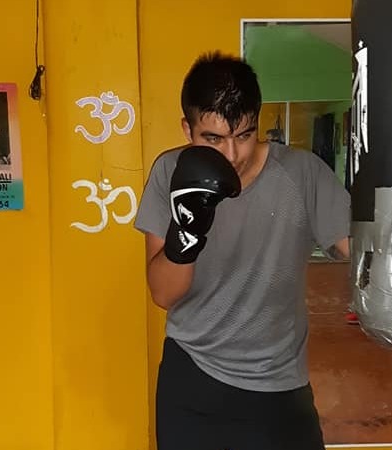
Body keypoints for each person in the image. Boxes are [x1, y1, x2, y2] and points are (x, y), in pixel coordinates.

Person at [134, 51, 351, 450]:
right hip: (193, 378)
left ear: (258, 123)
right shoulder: (170, 172)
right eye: (213, 139)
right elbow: (163, 294)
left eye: (244, 135)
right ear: (187, 129)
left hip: (279, 384)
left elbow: (362, 253)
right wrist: (187, 233)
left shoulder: (301, 173)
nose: (232, 155)